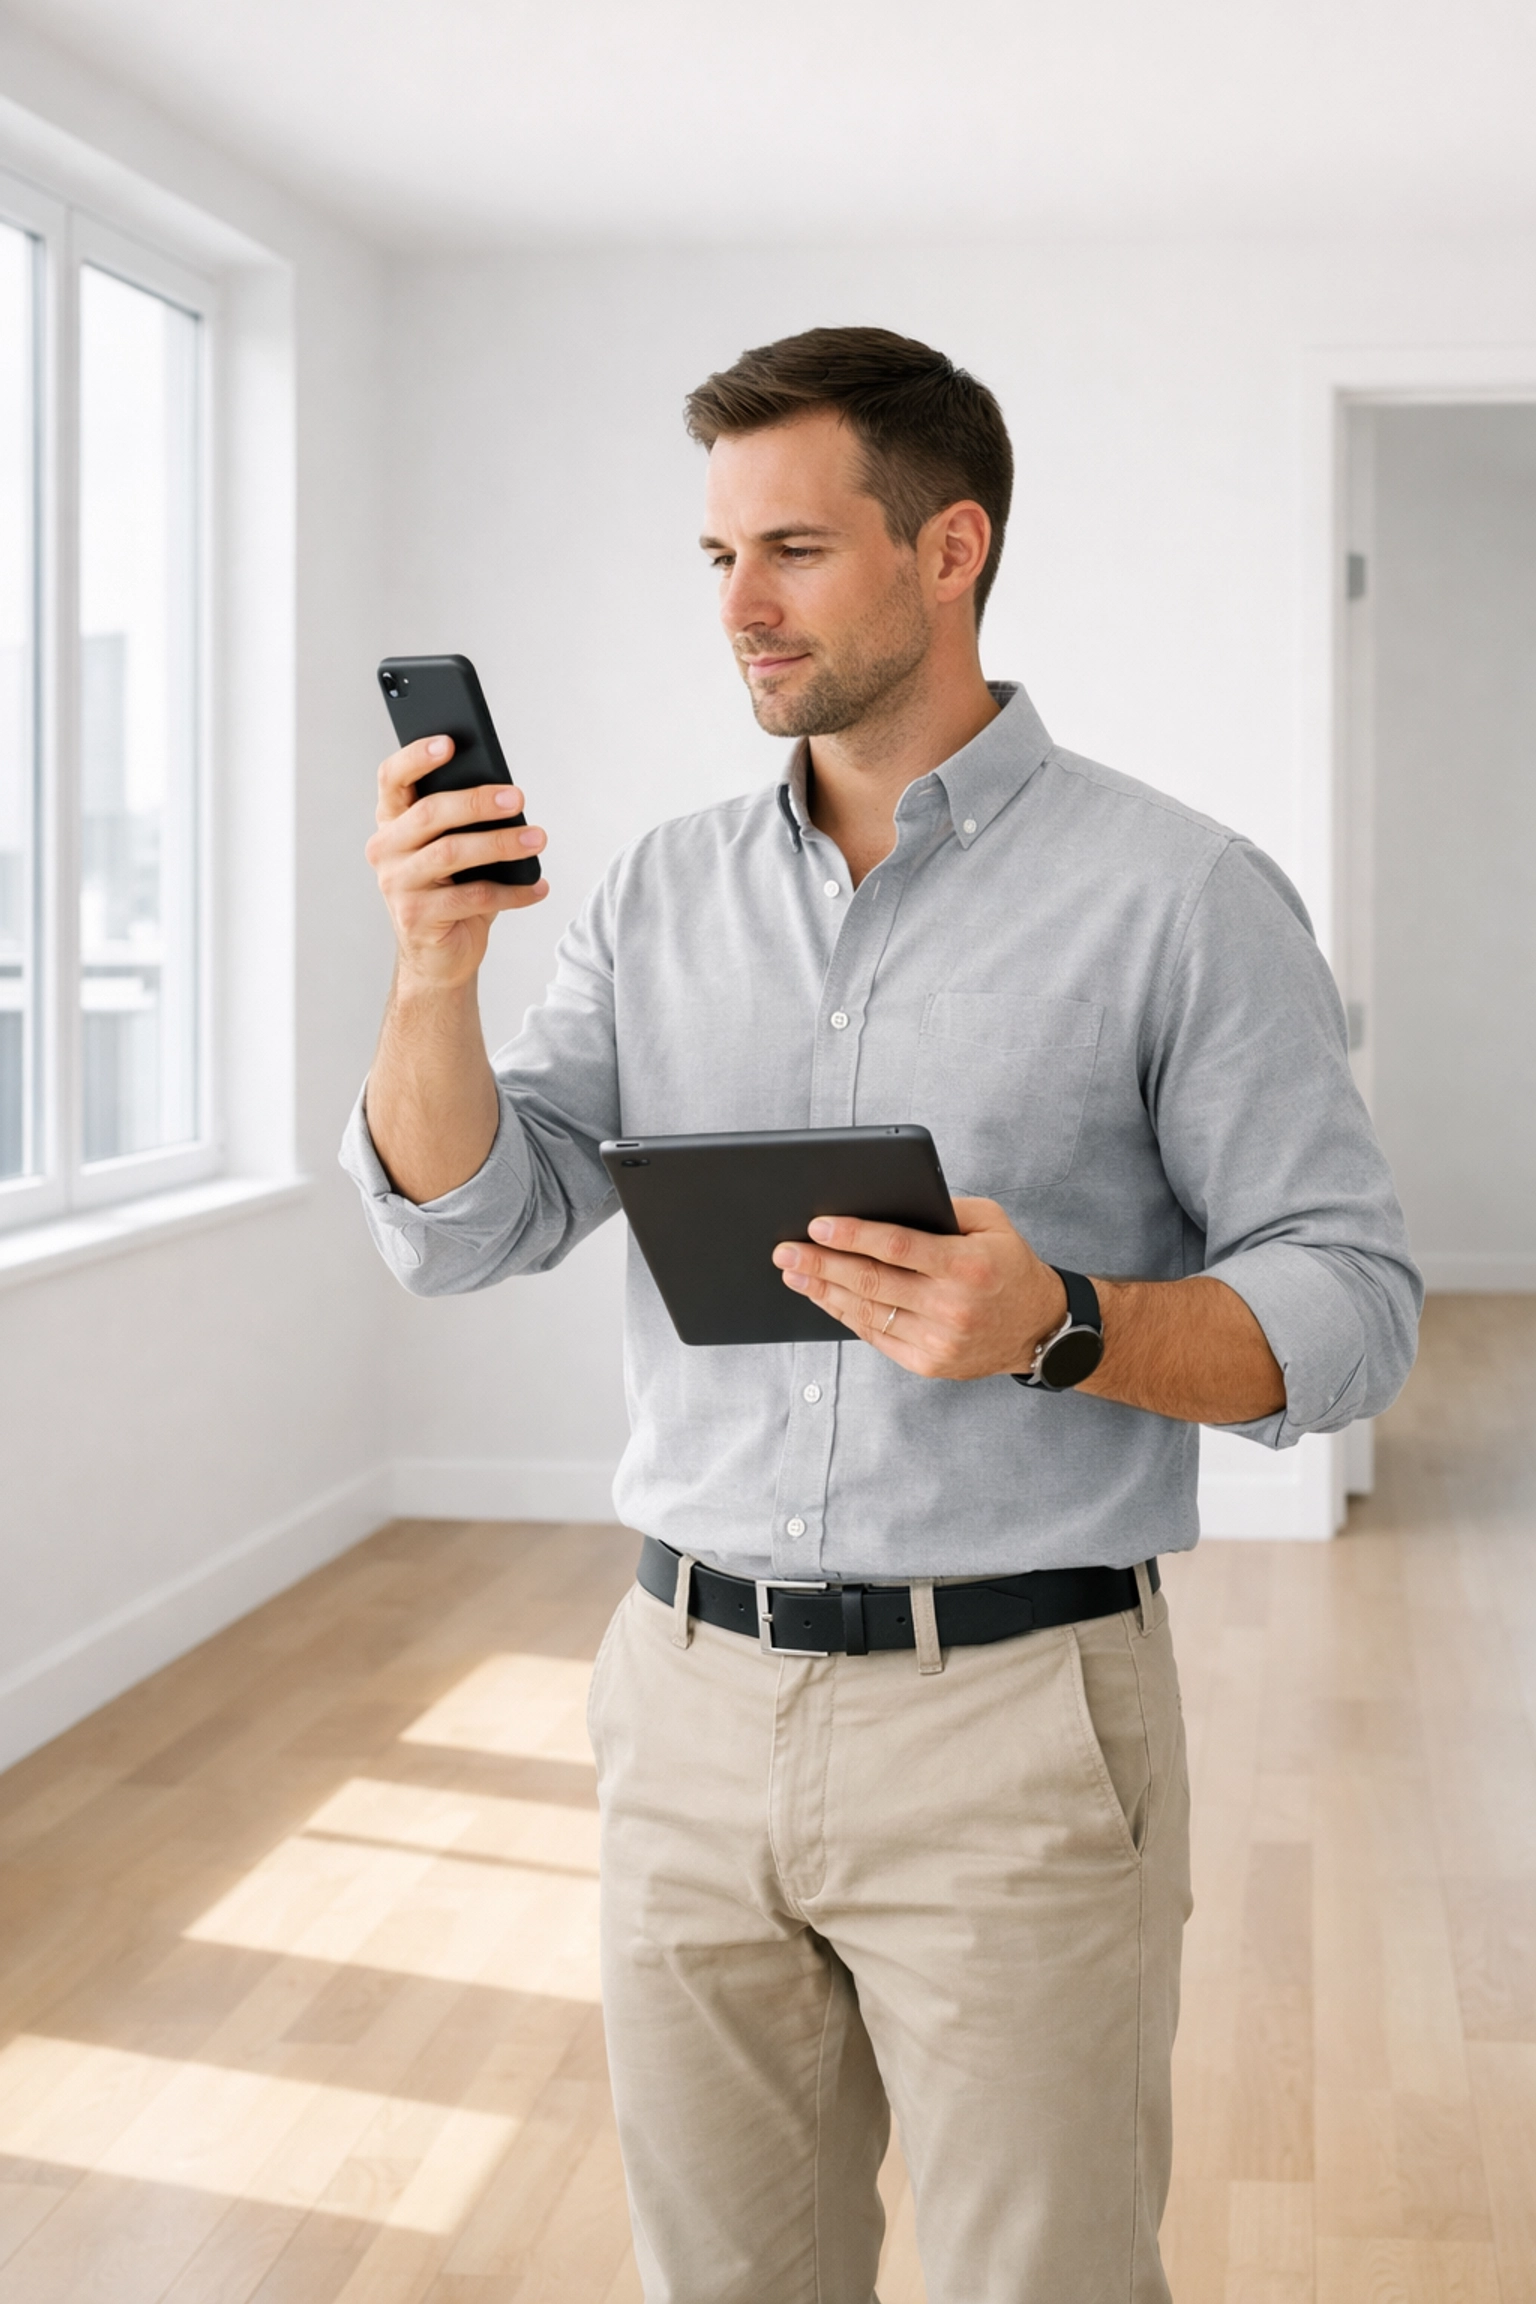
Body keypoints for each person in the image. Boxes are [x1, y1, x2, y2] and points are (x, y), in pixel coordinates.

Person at [343, 326, 1420, 2303]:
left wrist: (1065, 1323)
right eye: (715, 557)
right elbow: (470, 1226)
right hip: (683, 1701)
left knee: (1048, 2279)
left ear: (949, 550)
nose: (739, 609)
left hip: (1013, 1726)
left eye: (796, 551)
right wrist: (431, 978)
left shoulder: (1181, 895)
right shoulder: (657, 897)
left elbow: (1351, 1310)